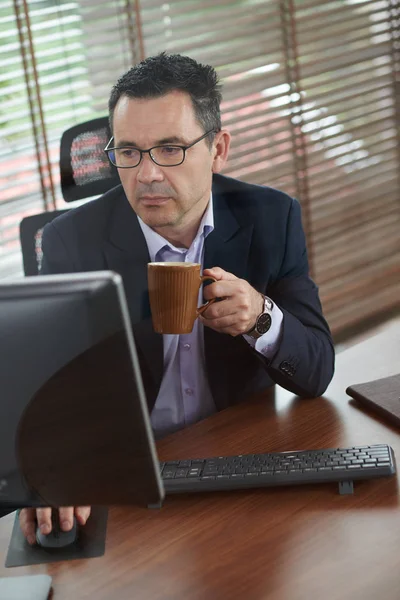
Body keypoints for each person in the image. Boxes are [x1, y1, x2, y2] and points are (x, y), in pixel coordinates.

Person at [19, 53, 334, 543]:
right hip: (129, 476)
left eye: (169, 149)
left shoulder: (273, 218)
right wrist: (51, 473)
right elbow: (46, 393)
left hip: (238, 461)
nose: (146, 175)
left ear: (219, 149)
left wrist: (262, 319)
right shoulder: (70, 241)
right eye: (128, 152)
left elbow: (317, 372)